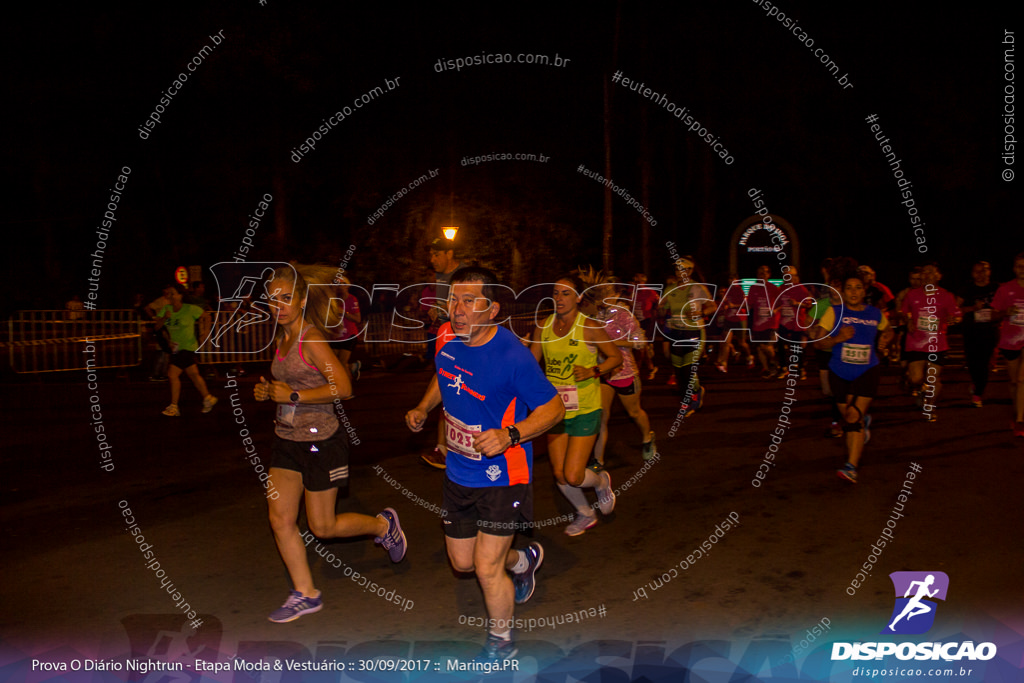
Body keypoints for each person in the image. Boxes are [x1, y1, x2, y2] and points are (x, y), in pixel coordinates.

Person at [405, 266, 563, 661]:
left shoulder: (513, 356)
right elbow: (444, 375)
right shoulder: (448, 340)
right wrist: (424, 407)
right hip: (460, 472)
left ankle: (502, 642)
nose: (457, 309)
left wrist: (510, 434)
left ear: (491, 309)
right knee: (463, 562)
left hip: (503, 474)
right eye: (453, 300)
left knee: (485, 567)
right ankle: (523, 560)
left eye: (469, 301)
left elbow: (554, 409)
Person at [256, 263, 406, 623]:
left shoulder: (311, 339)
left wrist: (291, 395)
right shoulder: (282, 338)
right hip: (286, 440)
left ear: (302, 299)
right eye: (272, 300)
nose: (279, 306)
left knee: (322, 527)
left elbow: (345, 388)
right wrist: (269, 392)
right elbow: (288, 387)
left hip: (322, 441)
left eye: (286, 298)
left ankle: (384, 526)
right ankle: (305, 593)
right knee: (280, 518)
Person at [531, 273, 622, 536]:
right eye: (556, 293)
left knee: (573, 474)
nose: (559, 298)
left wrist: (594, 370)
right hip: (555, 410)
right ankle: (585, 513)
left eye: (566, 293)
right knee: (560, 474)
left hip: (585, 407)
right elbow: (530, 365)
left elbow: (615, 357)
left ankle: (602, 481)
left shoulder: (589, 326)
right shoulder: (543, 326)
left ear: (579, 297)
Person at [811, 272, 893, 483]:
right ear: (843, 292)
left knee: (851, 417)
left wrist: (885, 338)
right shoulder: (834, 312)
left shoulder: (875, 313)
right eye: (849, 288)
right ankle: (863, 422)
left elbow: (889, 329)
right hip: (839, 372)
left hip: (867, 370)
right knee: (848, 415)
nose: (854, 292)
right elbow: (818, 343)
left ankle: (851, 466)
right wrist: (838, 338)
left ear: (865, 291)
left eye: (858, 287)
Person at [580, 271, 656, 465]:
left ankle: (648, 437)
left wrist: (613, 342)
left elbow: (640, 342)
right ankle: (598, 460)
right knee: (602, 418)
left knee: (634, 413)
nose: (604, 296)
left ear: (615, 295)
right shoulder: (593, 314)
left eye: (608, 292)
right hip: (603, 371)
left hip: (624, 372)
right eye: (601, 292)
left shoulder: (623, 314)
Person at [421, 238, 463, 469]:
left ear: (449, 253)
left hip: (463, 338)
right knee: (446, 387)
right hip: (445, 334)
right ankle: (443, 449)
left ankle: (451, 449)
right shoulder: (440, 277)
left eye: (436, 255)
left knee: (458, 390)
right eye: (431, 255)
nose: (432, 260)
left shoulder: (463, 274)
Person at [901, 263, 961, 421]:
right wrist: (907, 320)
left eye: (931, 272)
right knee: (915, 378)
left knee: (933, 378)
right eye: (924, 272)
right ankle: (921, 390)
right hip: (915, 342)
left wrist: (953, 318)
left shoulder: (946, 296)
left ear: (938, 276)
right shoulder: (912, 295)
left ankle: (930, 405)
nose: (927, 275)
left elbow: (956, 314)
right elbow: (904, 312)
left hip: (937, 343)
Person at [659, 258, 714, 412]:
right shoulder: (669, 288)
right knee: (678, 370)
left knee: (688, 369)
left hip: (695, 331)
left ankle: (689, 401)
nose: (679, 273)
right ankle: (695, 392)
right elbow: (663, 311)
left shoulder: (698, 288)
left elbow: (712, 306)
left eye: (683, 269)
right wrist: (661, 308)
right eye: (677, 269)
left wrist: (700, 312)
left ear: (690, 271)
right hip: (676, 332)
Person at [154, 284, 217, 416]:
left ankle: (174, 406)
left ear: (180, 295)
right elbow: (157, 327)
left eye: (173, 293)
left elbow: (207, 316)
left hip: (188, 346)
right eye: (168, 294)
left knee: (172, 374)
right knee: (193, 374)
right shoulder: (166, 309)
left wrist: (205, 331)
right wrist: (165, 318)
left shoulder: (190, 309)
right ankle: (208, 398)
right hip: (176, 348)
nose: (170, 296)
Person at [958, 261, 999, 408]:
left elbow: (1005, 306)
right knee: (973, 363)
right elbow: (956, 309)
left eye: (984, 271)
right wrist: (972, 308)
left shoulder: (997, 288)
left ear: (989, 272)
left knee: (984, 363)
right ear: (972, 273)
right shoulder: (967, 289)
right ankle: (976, 384)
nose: (980, 274)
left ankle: (978, 394)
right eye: (977, 271)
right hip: (971, 331)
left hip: (990, 330)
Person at [991, 252, 1024, 436]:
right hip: (1010, 340)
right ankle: (1017, 409)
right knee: (1013, 382)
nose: (1022, 270)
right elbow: (993, 314)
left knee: (1022, 379)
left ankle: (1020, 420)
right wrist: (1005, 312)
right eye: (1019, 266)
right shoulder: (1005, 289)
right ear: (1014, 268)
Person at [774, 266, 812, 380]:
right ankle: (783, 368)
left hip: (797, 322)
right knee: (780, 344)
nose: (786, 277)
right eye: (785, 275)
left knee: (797, 347)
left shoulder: (801, 289)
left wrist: (797, 303)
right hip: (784, 322)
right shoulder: (781, 288)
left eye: (789, 275)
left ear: (794, 276)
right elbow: (780, 303)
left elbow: (809, 305)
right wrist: (776, 310)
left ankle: (800, 369)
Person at [748, 264, 781, 378]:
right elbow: (749, 305)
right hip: (757, 323)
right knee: (759, 347)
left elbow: (782, 304)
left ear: (769, 275)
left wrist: (775, 310)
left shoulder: (773, 288)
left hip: (771, 322)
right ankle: (767, 369)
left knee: (767, 346)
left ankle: (774, 363)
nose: (763, 275)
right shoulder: (753, 288)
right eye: (760, 273)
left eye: (765, 272)